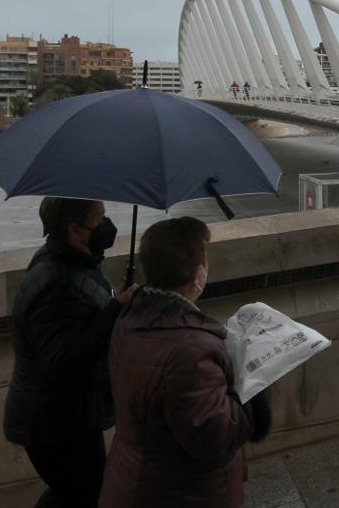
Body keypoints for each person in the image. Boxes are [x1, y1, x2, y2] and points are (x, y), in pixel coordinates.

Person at [100, 217, 272, 507]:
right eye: (204, 259)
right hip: (180, 492)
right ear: (197, 274)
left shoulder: (128, 319)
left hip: (133, 479)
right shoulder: (189, 350)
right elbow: (216, 438)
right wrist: (257, 379)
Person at [4, 197, 134, 508]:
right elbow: (64, 360)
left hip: (66, 416)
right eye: (99, 219)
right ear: (75, 231)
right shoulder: (57, 283)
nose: (107, 226)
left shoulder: (66, 261)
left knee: (77, 493)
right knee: (86, 494)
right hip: (55, 424)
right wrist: (117, 308)